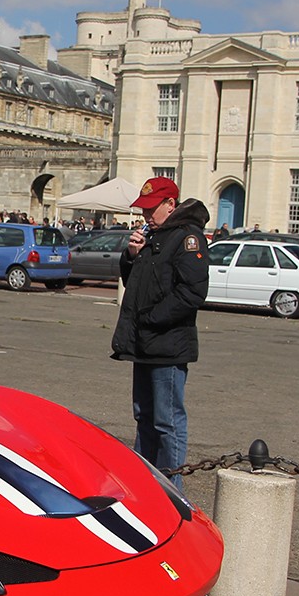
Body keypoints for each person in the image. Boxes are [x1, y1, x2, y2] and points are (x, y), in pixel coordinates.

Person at [110, 177, 210, 488]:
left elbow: (193, 292)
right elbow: (137, 281)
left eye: (152, 209)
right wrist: (131, 255)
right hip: (144, 342)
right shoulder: (155, 236)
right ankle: (144, 483)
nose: (146, 216)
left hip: (167, 342)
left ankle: (172, 489)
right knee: (144, 416)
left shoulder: (186, 238)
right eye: (143, 210)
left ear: (171, 204)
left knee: (167, 421)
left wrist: (152, 319)